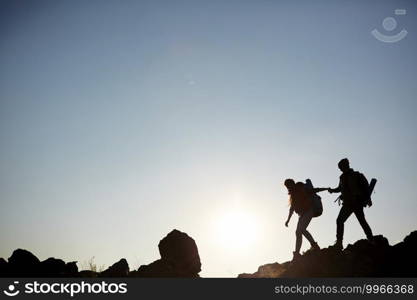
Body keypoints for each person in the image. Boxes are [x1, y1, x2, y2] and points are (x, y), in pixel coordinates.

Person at [328, 158, 374, 250]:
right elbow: (340, 188)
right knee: (340, 221)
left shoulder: (356, 175)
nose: (341, 169)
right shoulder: (342, 177)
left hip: (357, 202)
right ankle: (339, 243)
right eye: (340, 168)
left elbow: (365, 187)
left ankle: (371, 239)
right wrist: (332, 190)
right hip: (347, 203)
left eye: (341, 167)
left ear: (347, 165)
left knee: (361, 221)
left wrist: (368, 199)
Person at [284, 178, 329, 260]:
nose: (287, 187)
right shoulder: (293, 194)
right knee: (298, 232)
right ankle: (297, 253)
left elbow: (313, 190)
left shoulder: (300, 187)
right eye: (286, 186)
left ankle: (313, 246)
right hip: (302, 214)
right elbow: (292, 208)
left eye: (288, 185)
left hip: (309, 210)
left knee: (301, 230)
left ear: (292, 183)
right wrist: (288, 220)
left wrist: (326, 189)